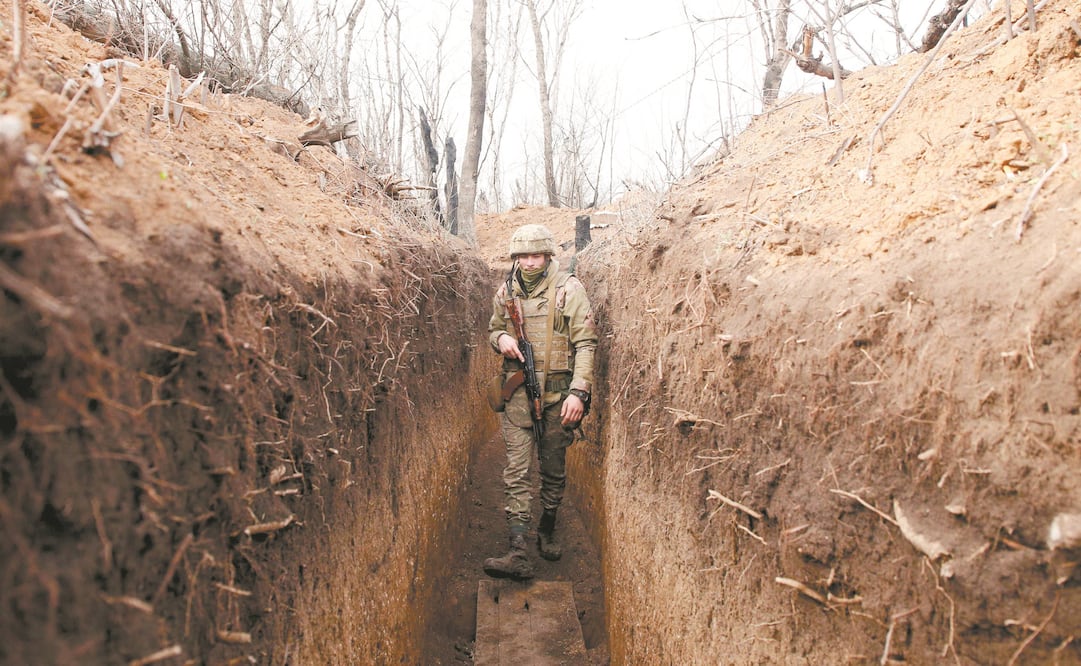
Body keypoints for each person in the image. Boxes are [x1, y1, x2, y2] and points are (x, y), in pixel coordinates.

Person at [483, 223, 598, 580]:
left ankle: (546, 527)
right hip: (518, 397)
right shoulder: (505, 293)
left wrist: (579, 391)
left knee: (552, 469)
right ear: (515, 258)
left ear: (548, 256)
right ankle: (517, 548)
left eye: (536, 255)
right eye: (523, 256)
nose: (530, 263)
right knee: (516, 471)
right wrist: (501, 337)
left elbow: (586, 344)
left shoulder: (569, 289)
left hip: (558, 398)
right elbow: (493, 328)